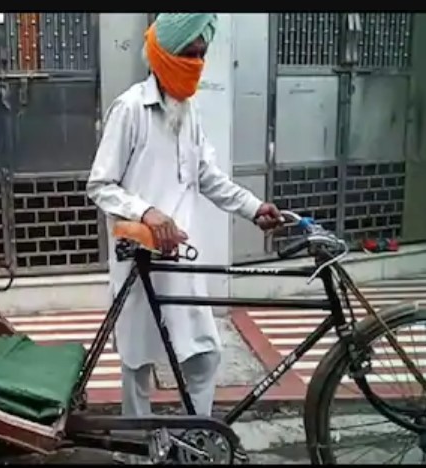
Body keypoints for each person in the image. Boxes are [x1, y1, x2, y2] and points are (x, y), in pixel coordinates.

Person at [86, 12, 283, 457]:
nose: (196, 63)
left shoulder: (189, 112)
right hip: (138, 261)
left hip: (181, 264)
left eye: (201, 55)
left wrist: (254, 208)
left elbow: (208, 176)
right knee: (136, 363)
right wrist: (147, 211)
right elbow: (100, 185)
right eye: (188, 54)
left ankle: (195, 442)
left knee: (203, 355)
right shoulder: (130, 109)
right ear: (164, 56)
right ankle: (135, 450)